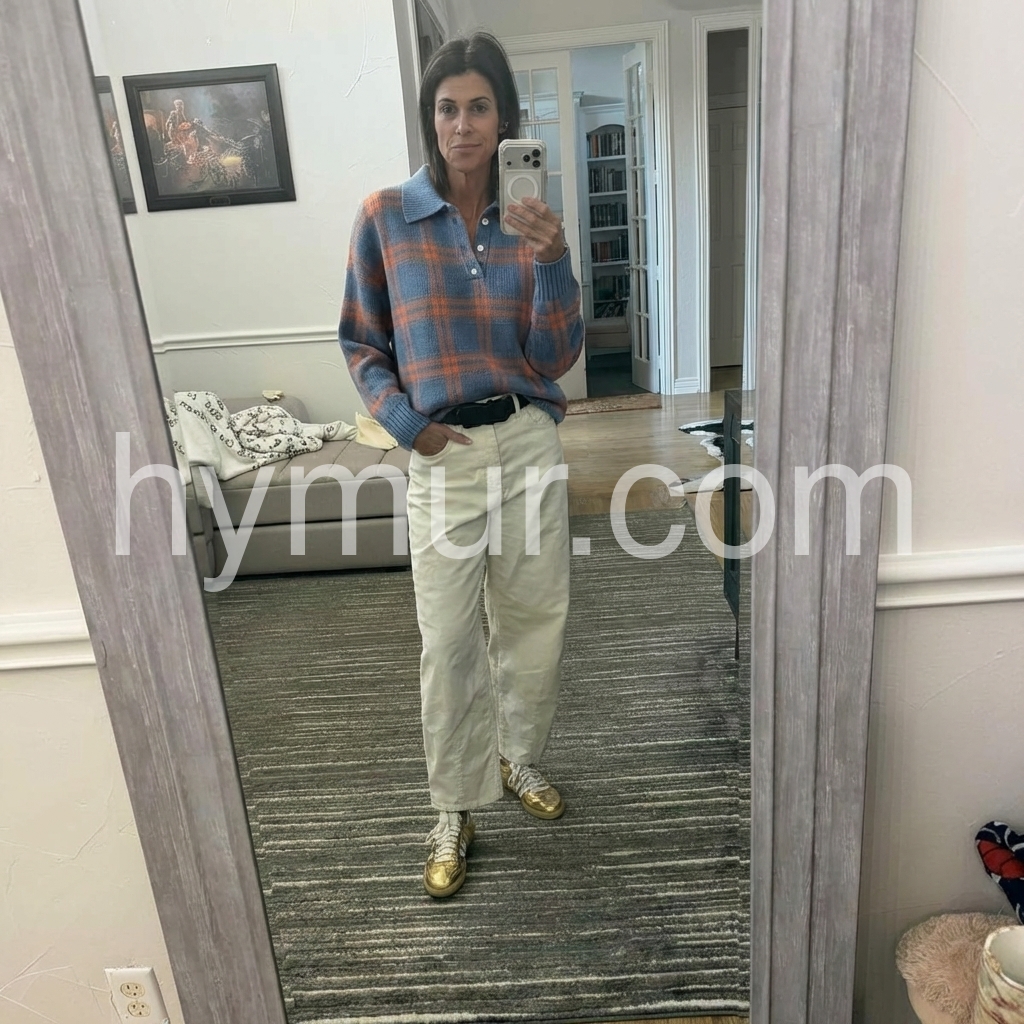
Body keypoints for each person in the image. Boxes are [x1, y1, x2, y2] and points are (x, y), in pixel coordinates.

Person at [339, 32, 584, 898]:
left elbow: (554, 357)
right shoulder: (386, 216)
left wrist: (553, 262)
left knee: (534, 620)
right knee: (447, 642)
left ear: (505, 118)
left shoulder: (531, 222)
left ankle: (517, 757)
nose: (464, 124)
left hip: (525, 438)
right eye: (448, 108)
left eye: (480, 107)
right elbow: (361, 342)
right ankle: (453, 804)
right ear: (430, 117)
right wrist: (410, 427)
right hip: (444, 452)